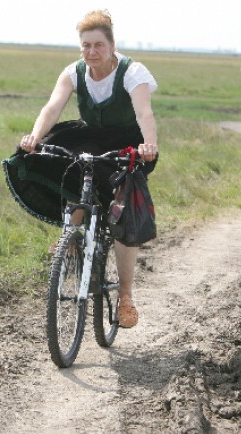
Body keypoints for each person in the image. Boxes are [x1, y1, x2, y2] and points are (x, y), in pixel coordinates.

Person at [18, 9, 159, 328]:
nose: (92, 52)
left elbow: (144, 113)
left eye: (98, 45)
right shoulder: (74, 72)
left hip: (128, 143)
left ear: (111, 46)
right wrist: (34, 137)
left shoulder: (132, 72)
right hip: (91, 139)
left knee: (123, 211)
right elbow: (52, 107)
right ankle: (71, 237)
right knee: (72, 166)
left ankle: (125, 296)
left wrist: (149, 145)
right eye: (86, 45)